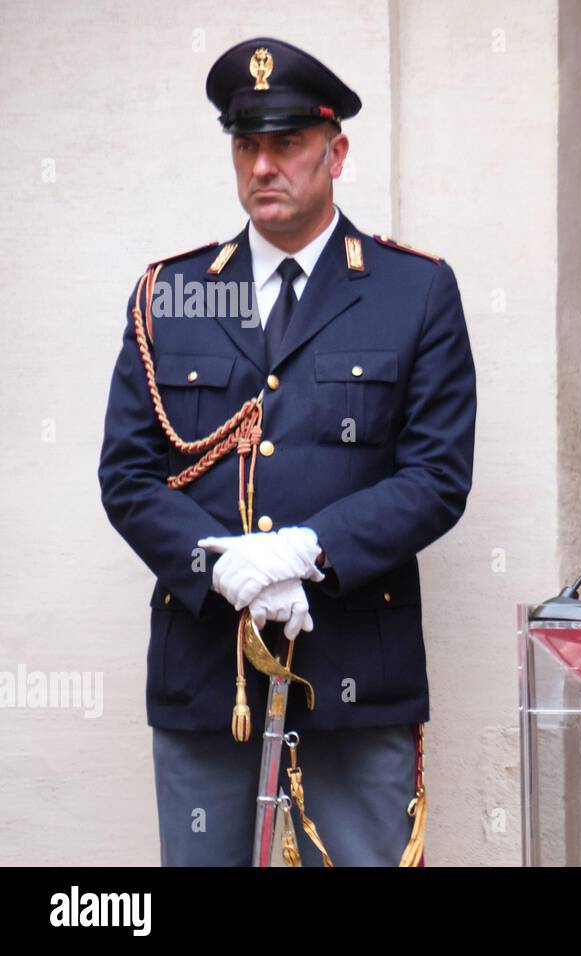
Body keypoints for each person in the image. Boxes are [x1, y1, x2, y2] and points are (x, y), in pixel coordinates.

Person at [97, 37, 476, 866]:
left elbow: (438, 476)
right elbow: (127, 475)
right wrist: (214, 565)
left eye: (287, 143)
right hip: (211, 671)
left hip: (354, 667)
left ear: (336, 151)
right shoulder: (175, 292)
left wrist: (308, 549)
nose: (263, 165)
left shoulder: (414, 290)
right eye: (246, 144)